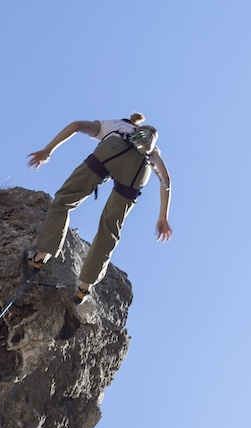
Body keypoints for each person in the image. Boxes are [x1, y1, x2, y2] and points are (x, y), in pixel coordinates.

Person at [26, 112, 172, 303]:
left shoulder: (114, 124)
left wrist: (48, 150)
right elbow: (166, 180)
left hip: (111, 151)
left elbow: (76, 124)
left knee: (64, 200)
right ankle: (84, 288)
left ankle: (40, 257)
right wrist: (162, 217)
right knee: (110, 229)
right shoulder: (152, 150)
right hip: (139, 170)